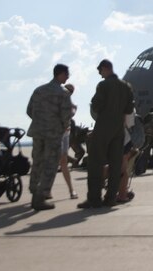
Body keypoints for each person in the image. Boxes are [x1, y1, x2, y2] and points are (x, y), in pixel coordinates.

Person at [80, 59, 134, 209]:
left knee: (95, 163)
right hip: (119, 129)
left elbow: (96, 105)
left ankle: (94, 199)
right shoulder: (126, 86)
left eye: (100, 71)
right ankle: (110, 198)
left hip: (103, 126)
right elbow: (129, 109)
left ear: (105, 68)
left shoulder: (103, 85)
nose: (100, 74)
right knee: (116, 164)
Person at [26, 64, 74, 211]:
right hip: (53, 134)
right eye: (67, 74)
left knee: (37, 162)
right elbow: (67, 114)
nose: (68, 77)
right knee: (51, 164)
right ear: (61, 74)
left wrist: (40, 121)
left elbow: (29, 111)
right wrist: (62, 125)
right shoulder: (63, 93)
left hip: (37, 132)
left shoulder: (39, 91)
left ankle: (34, 189)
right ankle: (41, 196)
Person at [58, 85, 78, 199]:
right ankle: (46, 190)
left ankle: (71, 189)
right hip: (59, 133)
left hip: (66, 132)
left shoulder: (68, 101)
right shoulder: (60, 101)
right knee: (57, 161)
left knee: (63, 161)